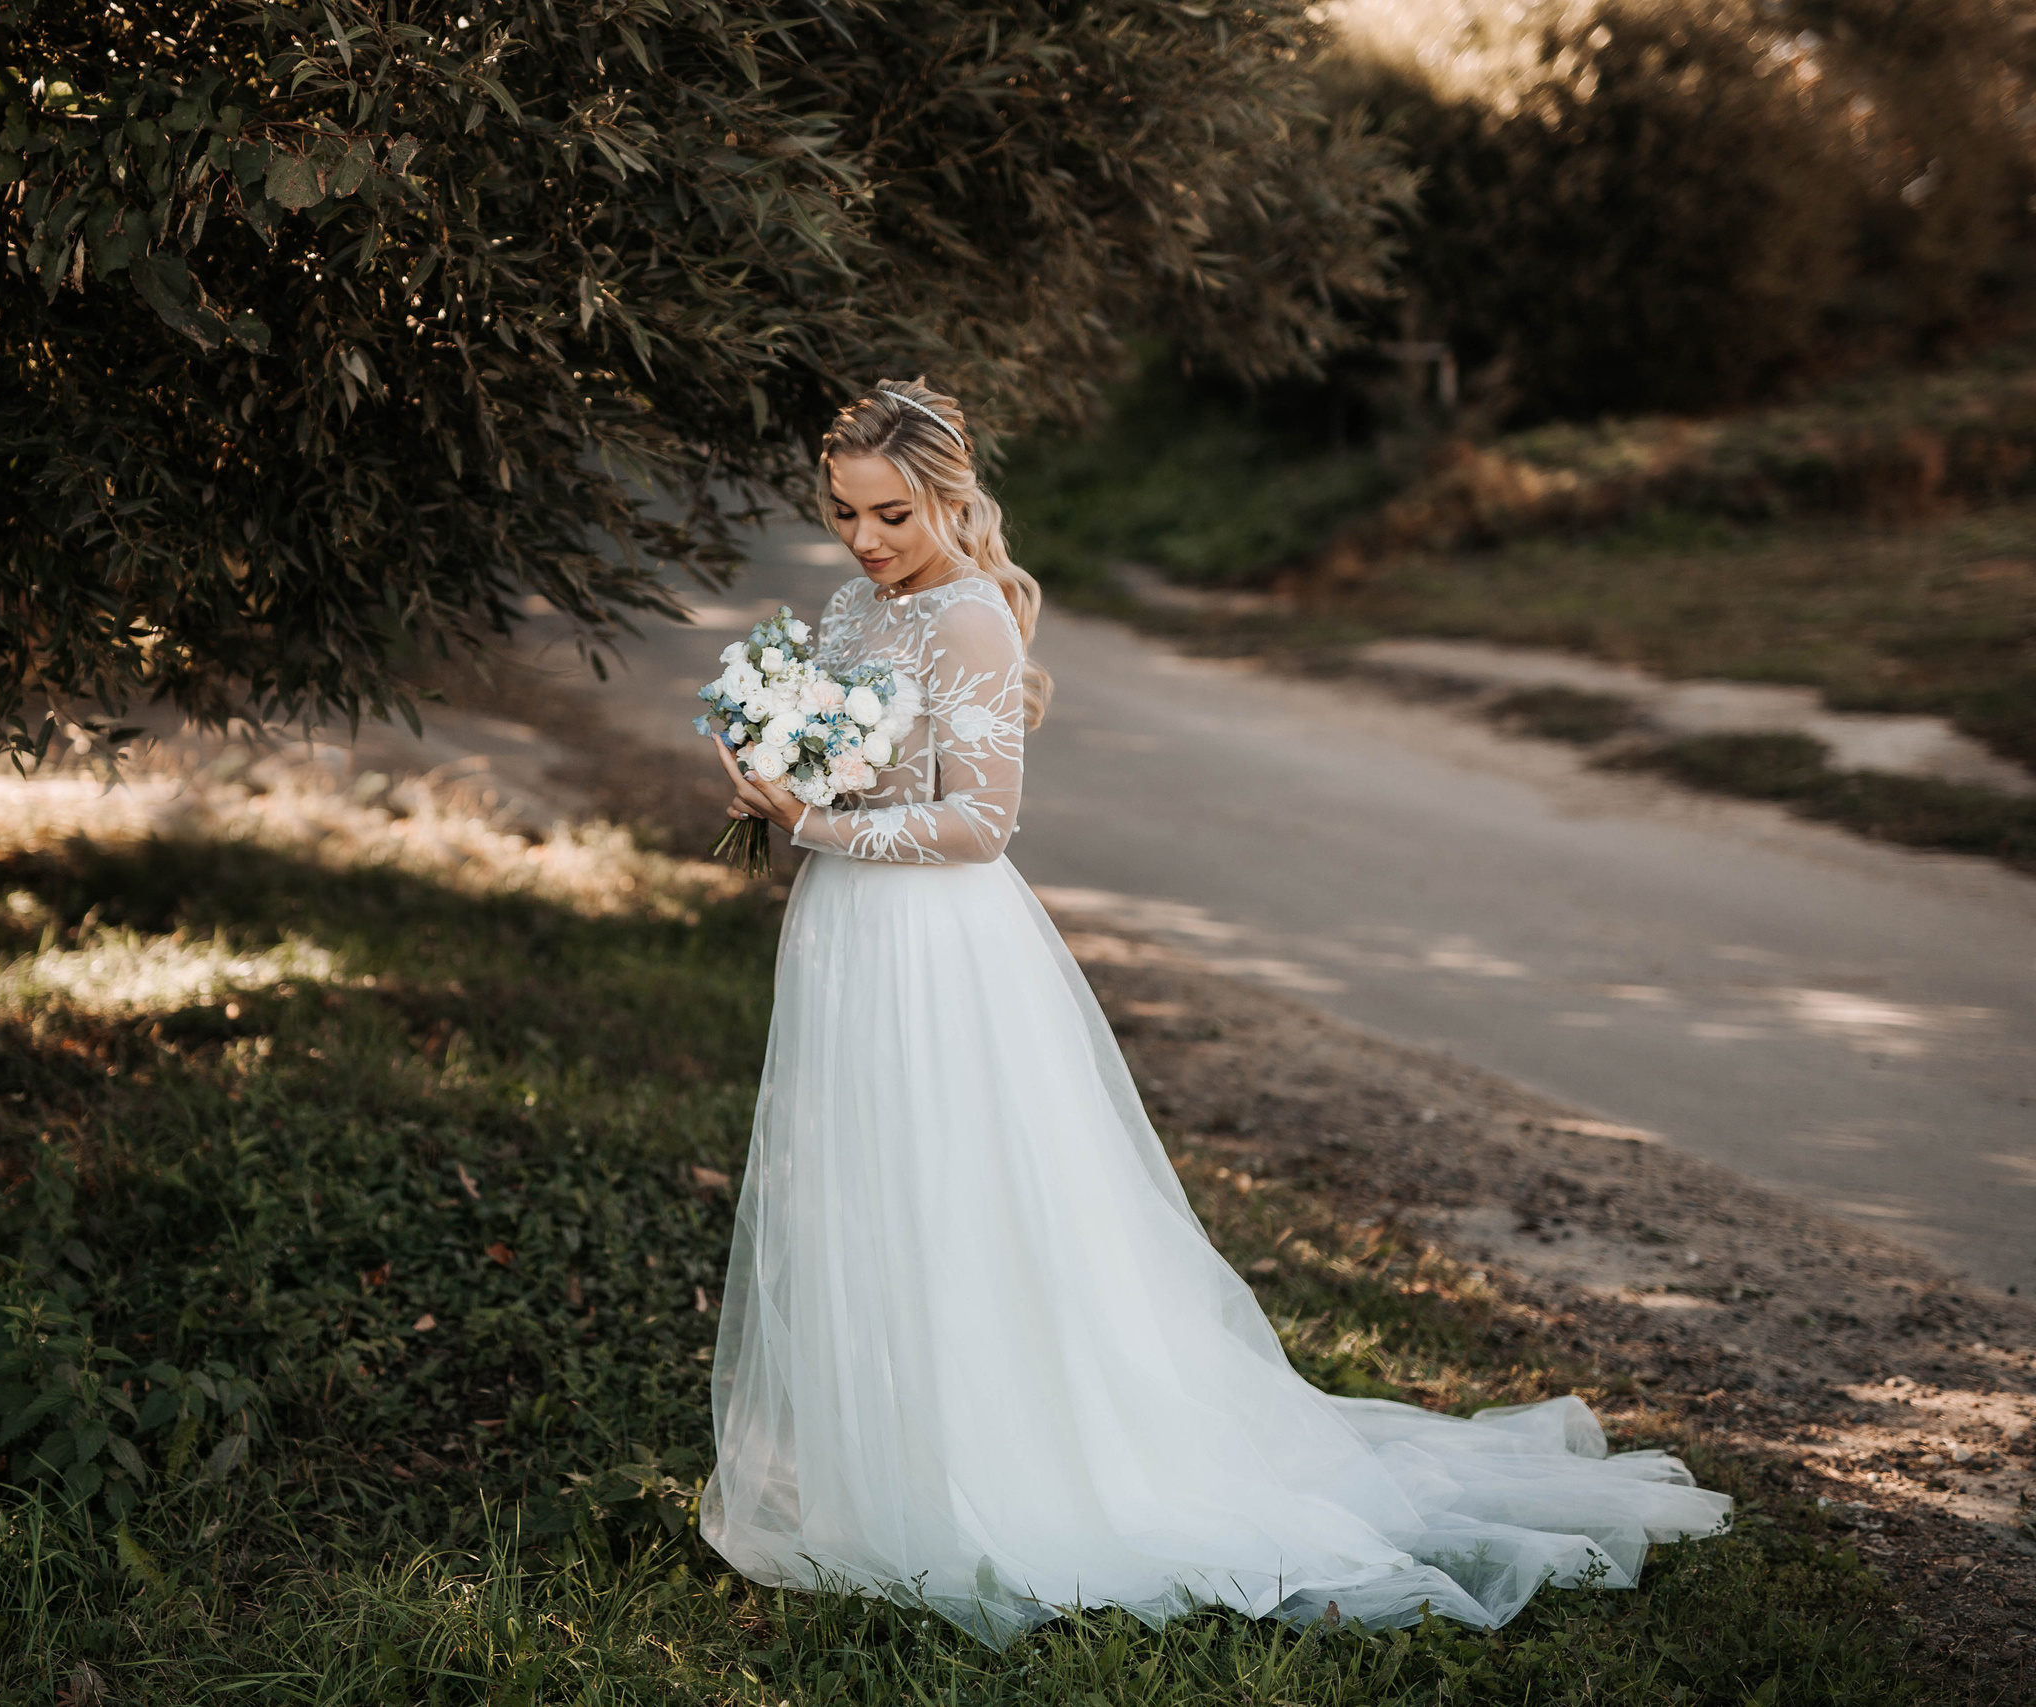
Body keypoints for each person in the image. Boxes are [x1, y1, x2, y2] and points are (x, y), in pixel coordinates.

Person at [697, 378, 1731, 1649]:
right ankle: (891, 1459)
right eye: (845, 512)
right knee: (865, 1189)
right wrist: (778, 777)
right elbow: (848, 752)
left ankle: (1015, 1467)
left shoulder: (970, 622)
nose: (865, 542)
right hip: (844, 929)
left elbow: (981, 826)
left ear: (953, 500)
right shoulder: (856, 605)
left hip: (937, 943)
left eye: (893, 515)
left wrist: (814, 820)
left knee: (965, 1192)